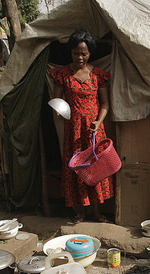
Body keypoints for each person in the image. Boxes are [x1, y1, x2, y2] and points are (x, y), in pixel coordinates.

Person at [49, 29, 113, 223]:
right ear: (71, 52)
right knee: (77, 169)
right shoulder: (63, 74)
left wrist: (98, 121)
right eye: (76, 52)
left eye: (84, 53)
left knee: (94, 169)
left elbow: (105, 104)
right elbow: (56, 100)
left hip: (94, 130)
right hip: (73, 130)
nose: (80, 57)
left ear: (90, 53)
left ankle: (96, 212)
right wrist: (58, 111)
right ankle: (81, 212)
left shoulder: (98, 76)